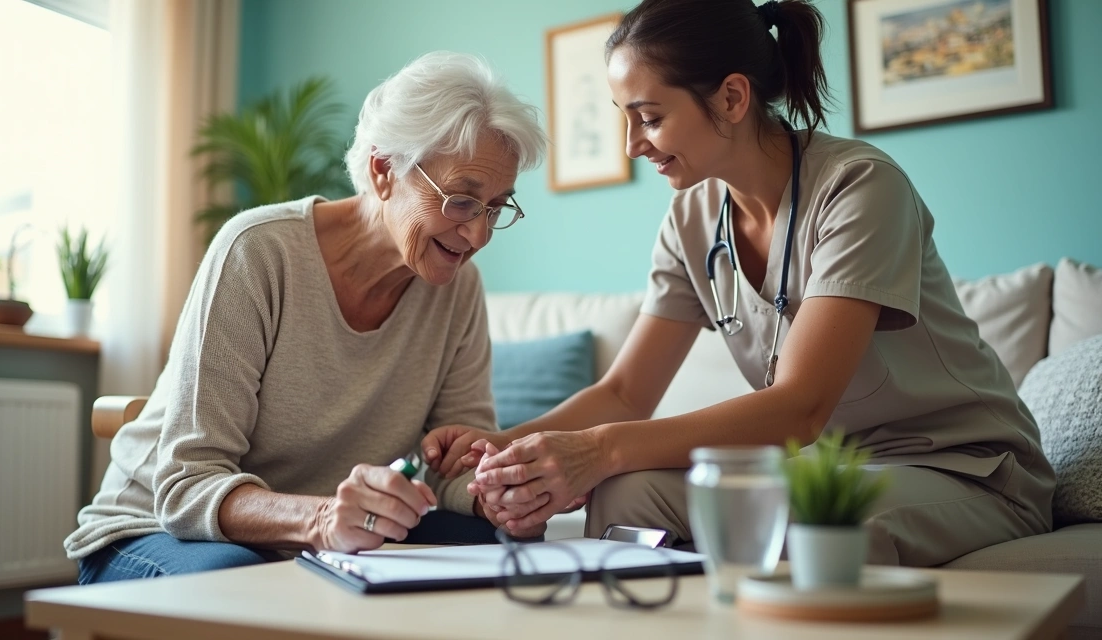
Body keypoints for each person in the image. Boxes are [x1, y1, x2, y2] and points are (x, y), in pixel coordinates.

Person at [425, 0, 1054, 566]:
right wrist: (508, 448)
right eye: (624, 118)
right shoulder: (691, 218)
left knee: (824, 531)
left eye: (648, 117)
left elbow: (802, 406)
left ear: (731, 97)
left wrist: (602, 447)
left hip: (965, 470)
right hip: (824, 470)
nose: (631, 145)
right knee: (627, 491)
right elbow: (624, 392)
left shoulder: (860, 188)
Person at [66, 51, 548, 583]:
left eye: (497, 207)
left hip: (326, 538)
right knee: (237, 580)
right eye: (461, 201)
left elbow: (451, 463)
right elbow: (186, 486)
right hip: (158, 530)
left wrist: (494, 496)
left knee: (493, 549)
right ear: (383, 170)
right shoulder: (258, 252)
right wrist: (320, 518)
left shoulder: (456, 288)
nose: (478, 236)